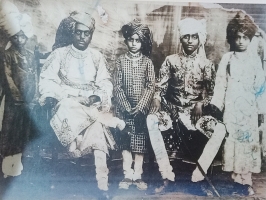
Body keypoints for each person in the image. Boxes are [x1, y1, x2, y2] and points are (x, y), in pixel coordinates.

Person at [39, 12, 118, 199]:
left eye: (87, 33)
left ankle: (102, 181)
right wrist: (64, 95)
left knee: (97, 128)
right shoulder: (59, 54)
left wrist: (96, 97)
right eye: (78, 33)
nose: (82, 37)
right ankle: (73, 149)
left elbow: (106, 84)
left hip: (90, 105)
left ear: (91, 35)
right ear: (72, 33)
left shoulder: (97, 57)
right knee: (69, 106)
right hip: (67, 103)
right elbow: (47, 82)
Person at [147, 18, 226, 193]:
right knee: (151, 119)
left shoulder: (206, 65)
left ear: (200, 40)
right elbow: (160, 87)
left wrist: (200, 103)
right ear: (180, 39)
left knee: (220, 129)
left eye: (194, 37)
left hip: (195, 116)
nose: (190, 41)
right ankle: (166, 174)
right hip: (172, 113)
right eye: (186, 37)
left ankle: (198, 176)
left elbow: (212, 94)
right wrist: (157, 99)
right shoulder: (170, 60)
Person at [210, 12, 265, 195]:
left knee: (247, 144)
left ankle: (246, 179)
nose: (241, 41)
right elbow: (220, 84)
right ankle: (235, 180)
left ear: (250, 38)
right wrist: (217, 106)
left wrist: (260, 111)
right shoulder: (228, 59)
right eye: (237, 37)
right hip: (232, 108)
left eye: (245, 37)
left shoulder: (255, 60)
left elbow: (260, 87)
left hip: (248, 109)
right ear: (232, 38)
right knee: (233, 142)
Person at [113, 19, 155, 191]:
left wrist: (140, 107)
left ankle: (138, 175)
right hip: (125, 112)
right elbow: (117, 85)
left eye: (138, 40)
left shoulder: (147, 62)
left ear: (142, 42)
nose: (134, 44)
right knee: (126, 143)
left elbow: (151, 85)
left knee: (139, 144)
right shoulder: (120, 61)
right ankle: (126, 174)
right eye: (131, 40)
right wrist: (125, 107)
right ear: (126, 41)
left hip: (140, 112)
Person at [0, 1, 38, 178]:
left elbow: (34, 74)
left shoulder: (30, 53)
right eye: (15, 38)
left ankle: (19, 159)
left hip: (28, 100)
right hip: (14, 102)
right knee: (10, 128)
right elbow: (8, 77)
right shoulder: (8, 54)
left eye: (22, 37)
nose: (20, 40)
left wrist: (34, 94)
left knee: (23, 129)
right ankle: (7, 162)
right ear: (11, 39)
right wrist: (16, 96)